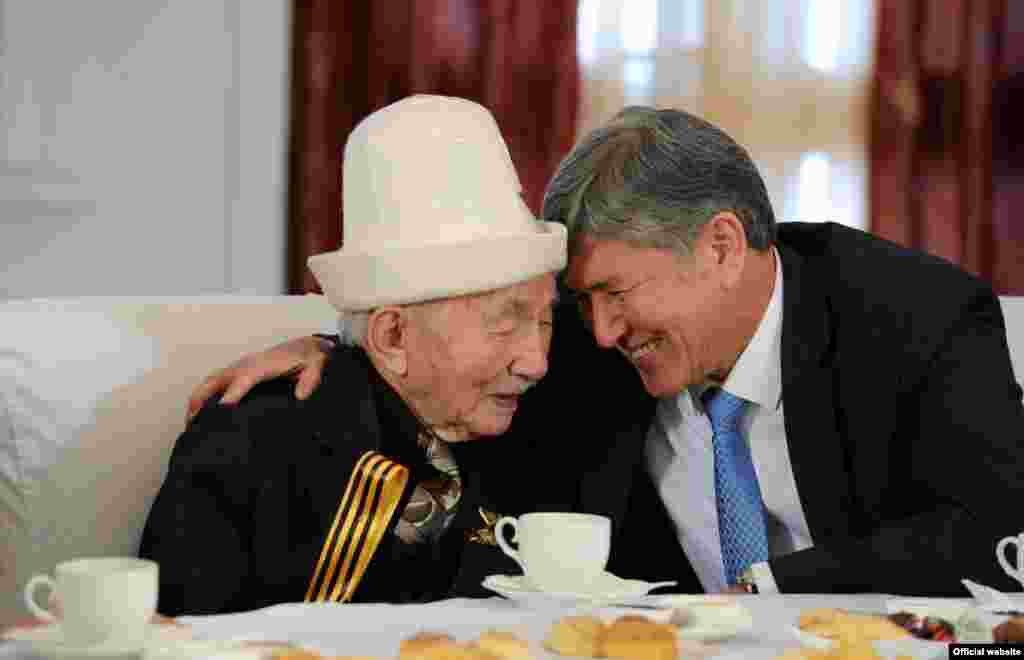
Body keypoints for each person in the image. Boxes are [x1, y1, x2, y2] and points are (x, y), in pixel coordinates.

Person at [190, 106, 1024, 597]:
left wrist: (764, 597)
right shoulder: (587, 347)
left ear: (723, 246)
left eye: (616, 295)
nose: (595, 334)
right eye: (579, 302)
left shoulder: (916, 317)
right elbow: (437, 347)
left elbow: (1001, 529)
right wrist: (338, 349)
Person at [139, 95, 566, 615]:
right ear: (391, 336)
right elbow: (167, 640)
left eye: (545, 321)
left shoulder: (540, 420)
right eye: (505, 322)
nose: (535, 361)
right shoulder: (249, 444)